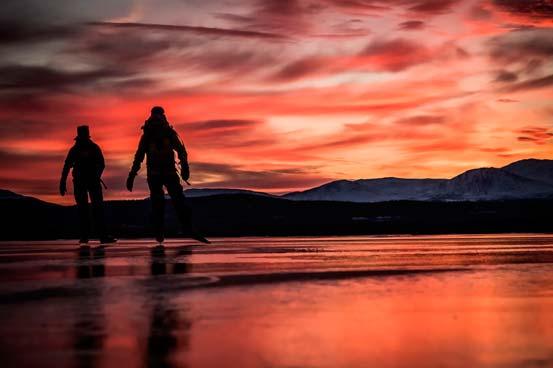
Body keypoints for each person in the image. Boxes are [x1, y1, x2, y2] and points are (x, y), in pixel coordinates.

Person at [126, 106, 209, 244]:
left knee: (163, 203)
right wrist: (185, 167)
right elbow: (181, 151)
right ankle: (179, 229)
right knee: (174, 202)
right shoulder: (160, 132)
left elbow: (139, 156)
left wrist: (132, 174)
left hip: (159, 174)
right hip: (163, 174)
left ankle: (163, 232)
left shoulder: (156, 133)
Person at [60, 125, 116, 244]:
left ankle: (99, 236)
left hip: (91, 182)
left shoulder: (89, 148)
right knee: (85, 209)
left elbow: (101, 164)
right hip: (83, 182)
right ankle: (90, 236)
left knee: (95, 208)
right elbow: (67, 165)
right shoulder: (80, 149)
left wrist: (96, 175)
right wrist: (62, 181)